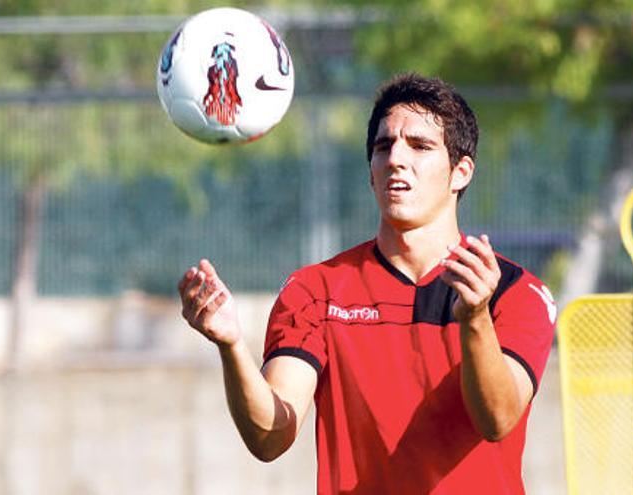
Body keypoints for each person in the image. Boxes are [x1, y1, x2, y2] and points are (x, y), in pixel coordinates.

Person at [178, 73, 556, 494]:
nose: (396, 158)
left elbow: (498, 419)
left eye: (420, 146)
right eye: (383, 146)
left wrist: (475, 319)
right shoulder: (314, 291)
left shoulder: (514, 292)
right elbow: (270, 437)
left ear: (460, 172)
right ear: (371, 171)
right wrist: (231, 345)